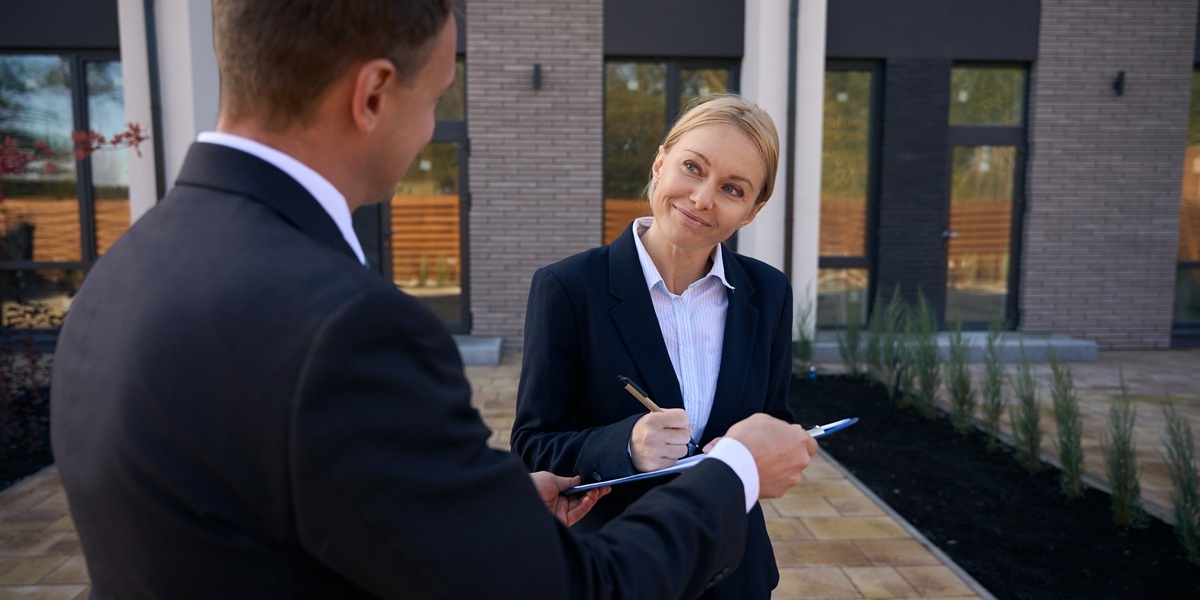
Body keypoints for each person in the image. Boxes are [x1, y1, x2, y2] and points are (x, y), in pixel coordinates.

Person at [49, 2, 820, 599]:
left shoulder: (126, 266)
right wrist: (737, 468)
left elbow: (284, 507)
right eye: (441, 95)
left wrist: (488, 507)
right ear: (375, 92)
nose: (433, 130)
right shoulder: (351, 330)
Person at [511, 94, 796, 599]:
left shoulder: (769, 293)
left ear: (752, 211)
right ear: (660, 163)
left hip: (736, 572)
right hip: (620, 572)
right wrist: (625, 445)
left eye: (732, 188)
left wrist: (755, 448)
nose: (703, 198)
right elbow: (533, 444)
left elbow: (774, 415)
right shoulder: (569, 288)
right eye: (692, 167)